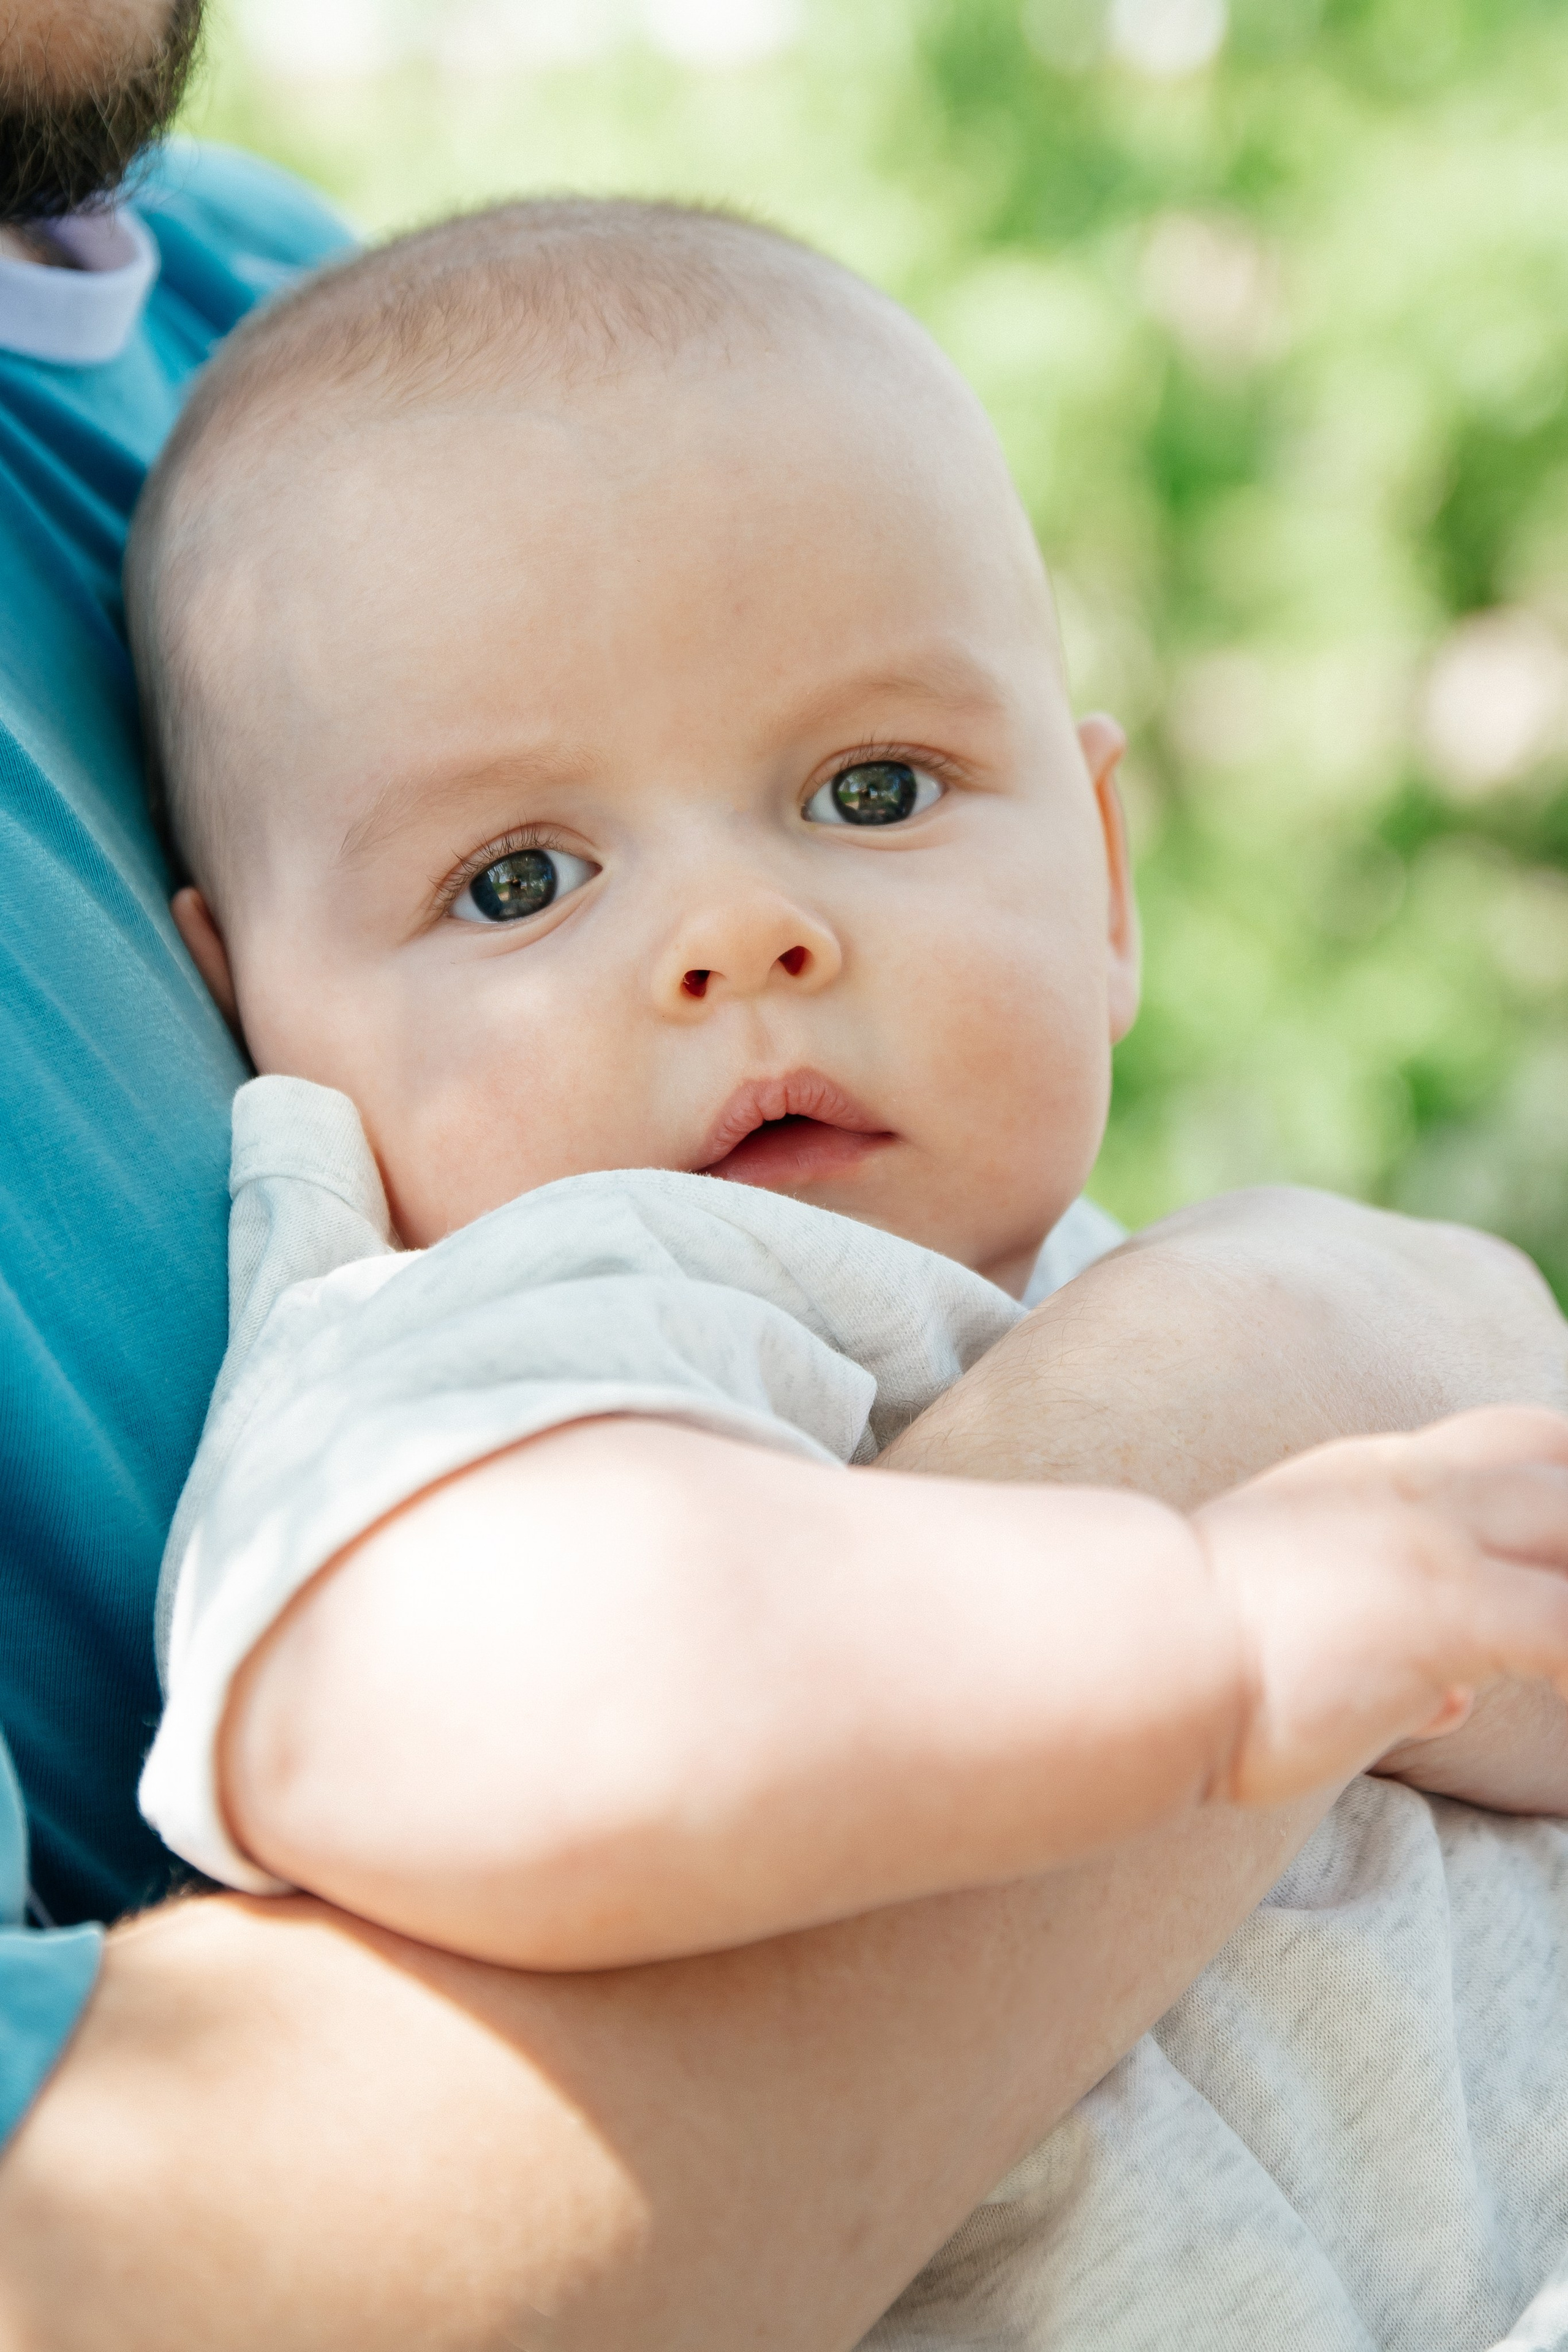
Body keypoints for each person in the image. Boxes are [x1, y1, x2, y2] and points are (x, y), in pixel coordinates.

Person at [0, 9, 1564, 2344]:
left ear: (1107, 879)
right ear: (262, 1029)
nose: (742, 933)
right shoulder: (490, 1340)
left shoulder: (238, 307)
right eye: (522, 882)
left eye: (869, 792)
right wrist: (1215, 1618)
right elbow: (466, 1699)